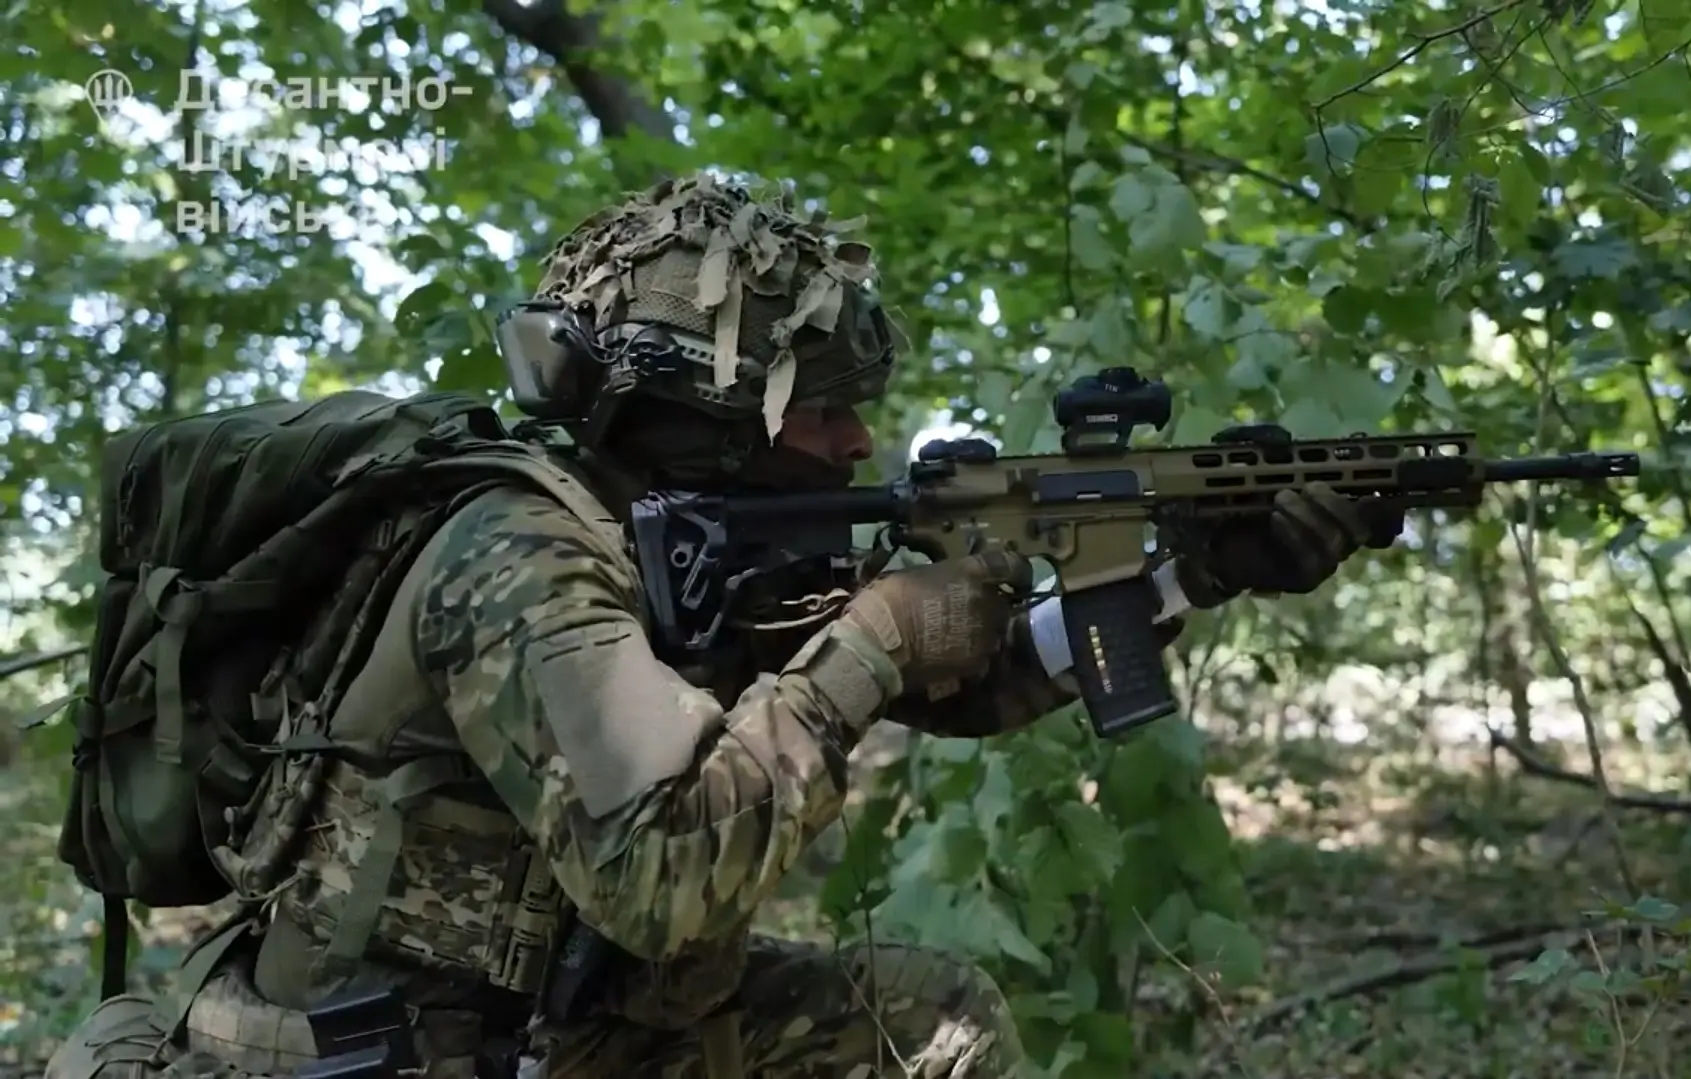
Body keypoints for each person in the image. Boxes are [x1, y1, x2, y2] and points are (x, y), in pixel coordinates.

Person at [45, 175, 1398, 1079]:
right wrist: (872, 638)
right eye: (819, 405)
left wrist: (1185, 577)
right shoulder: (514, 554)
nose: (859, 438)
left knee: (927, 1017)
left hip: (564, 1017)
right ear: (689, 409)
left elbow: (977, 684)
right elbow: (666, 878)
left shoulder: (693, 540)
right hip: (383, 1049)